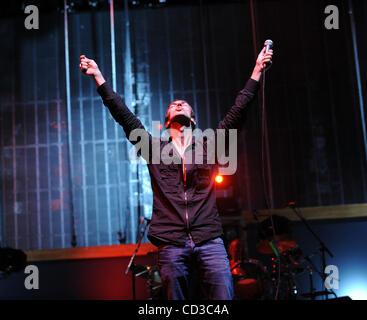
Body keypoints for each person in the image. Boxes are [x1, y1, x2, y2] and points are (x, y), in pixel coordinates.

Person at [79, 46, 273, 300]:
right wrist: (98, 77)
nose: (179, 103)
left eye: (184, 104)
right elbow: (123, 115)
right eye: (174, 104)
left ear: (193, 120)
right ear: (168, 120)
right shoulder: (153, 149)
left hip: (208, 238)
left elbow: (238, 112)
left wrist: (257, 70)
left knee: (223, 298)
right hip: (171, 241)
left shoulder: (209, 146)